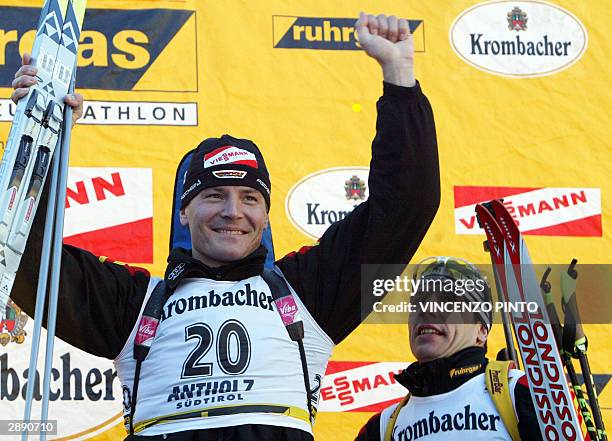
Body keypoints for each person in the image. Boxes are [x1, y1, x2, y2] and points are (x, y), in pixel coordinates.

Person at [10, 12, 440, 441]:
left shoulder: (310, 292)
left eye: (250, 198)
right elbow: (21, 253)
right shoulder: (135, 304)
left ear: (266, 216)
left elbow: (406, 206)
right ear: (183, 212)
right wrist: (41, 135)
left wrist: (399, 77)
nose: (233, 211)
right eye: (214, 195)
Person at [355, 257, 543, 441]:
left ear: (481, 330)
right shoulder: (380, 428)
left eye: (447, 301)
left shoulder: (522, 393)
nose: (426, 310)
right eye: (418, 302)